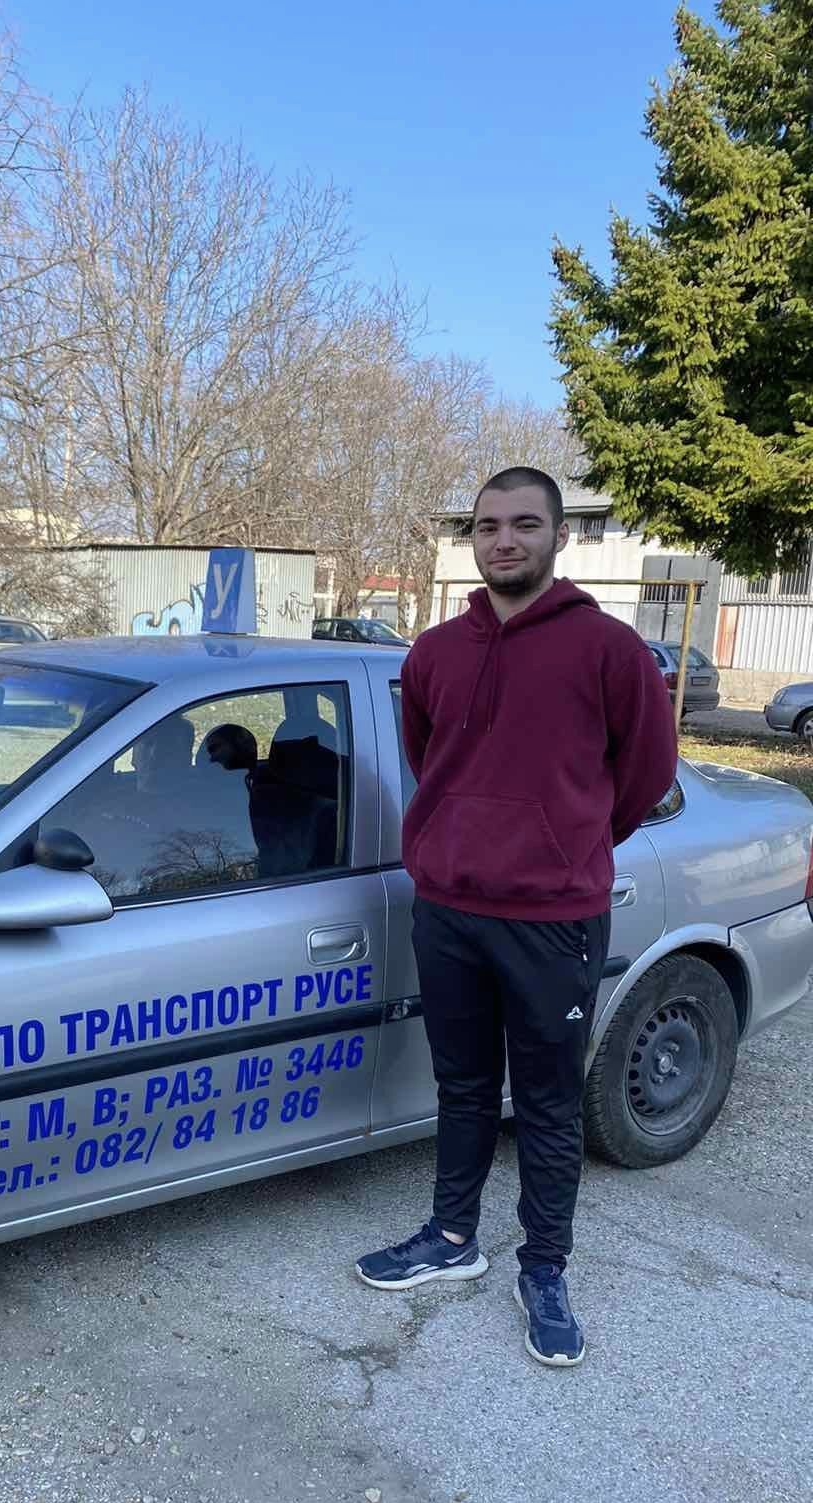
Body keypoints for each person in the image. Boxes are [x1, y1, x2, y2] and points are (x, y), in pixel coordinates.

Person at [355, 466, 677, 1367]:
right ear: (473, 538)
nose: (504, 540)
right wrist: (461, 837)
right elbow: (430, 759)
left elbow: (646, 772)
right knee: (461, 1086)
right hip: (449, 909)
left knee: (545, 1101)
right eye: (489, 525)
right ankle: (452, 1237)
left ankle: (544, 1268)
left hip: (552, 919)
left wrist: (566, 845)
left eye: (525, 524)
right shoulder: (433, 654)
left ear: (559, 537)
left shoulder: (609, 650)